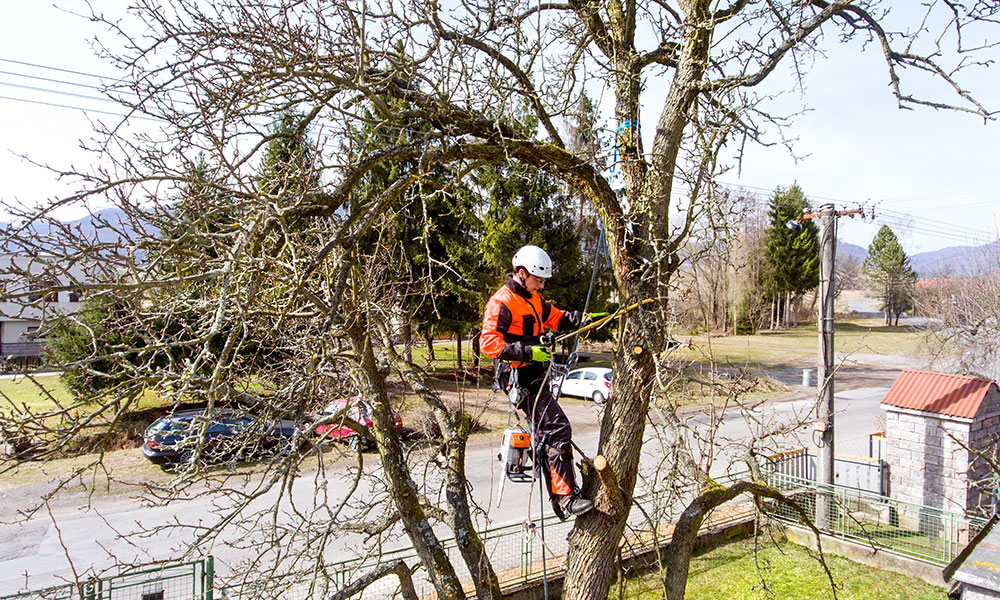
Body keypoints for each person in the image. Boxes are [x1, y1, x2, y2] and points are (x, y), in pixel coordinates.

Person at [480, 245, 602, 519]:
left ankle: (560, 499)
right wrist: (526, 351)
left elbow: (555, 318)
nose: (542, 285)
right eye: (538, 279)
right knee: (557, 428)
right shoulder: (502, 302)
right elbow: (488, 343)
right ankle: (566, 498)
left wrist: (583, 320)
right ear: (522, 274)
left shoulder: (534, 298)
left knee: (547, 434)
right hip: (519, 377)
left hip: (536, 373)